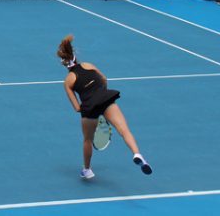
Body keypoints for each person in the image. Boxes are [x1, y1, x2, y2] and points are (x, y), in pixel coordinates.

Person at [57, 35, 152, 180]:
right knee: (124, 130)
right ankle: (137, 154)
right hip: (106, 99)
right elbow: (104, 79)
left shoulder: (68, 81)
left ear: (64, 63)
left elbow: (77, 108)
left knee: (87, 140)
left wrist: (92, 108)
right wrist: (101, 98)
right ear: (75, 57)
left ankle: (87, 170)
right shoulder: (89, 65)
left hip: (89, 108)